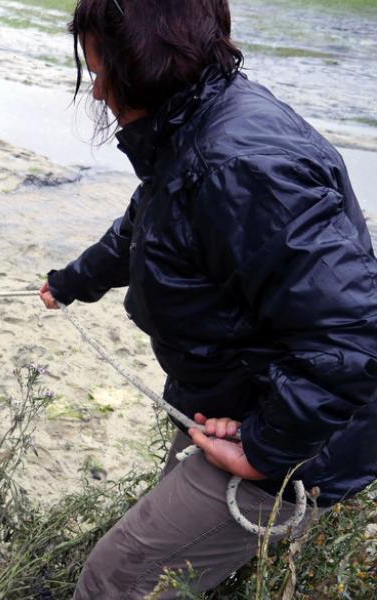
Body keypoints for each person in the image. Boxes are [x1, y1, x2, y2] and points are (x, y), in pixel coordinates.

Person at [39, 0, 377, 597]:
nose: (95, 94)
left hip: (299, 444)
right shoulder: (193, 125)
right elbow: (146, 224)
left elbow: (350, 338)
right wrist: (71, 282)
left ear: (141, 62)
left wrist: (266, 451)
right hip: (233, 405)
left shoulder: (242, 164)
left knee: (113, 580)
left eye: (99, 73)